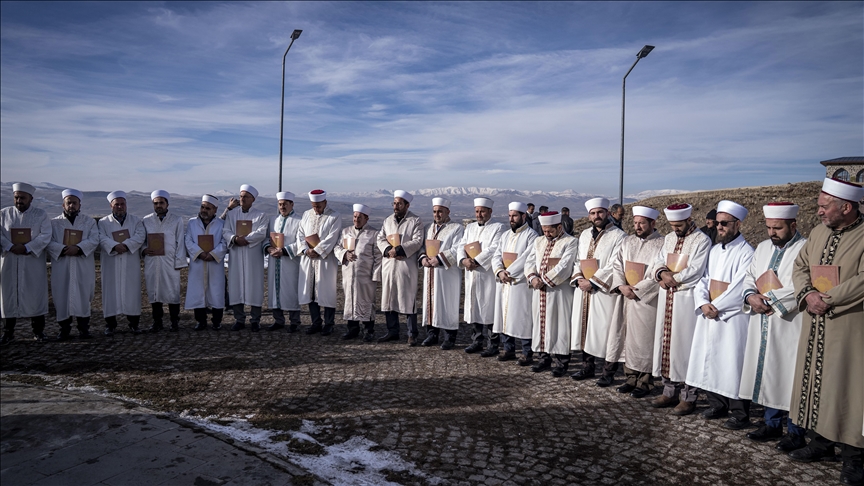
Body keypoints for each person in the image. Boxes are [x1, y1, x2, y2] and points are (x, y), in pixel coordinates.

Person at [789, 178, 863, 485]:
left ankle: (854, 457)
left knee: (848, 386)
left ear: (846, 207)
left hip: (848, 325)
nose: (818, 212)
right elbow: (800, 266)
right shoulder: (818, 234)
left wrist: (827, 299)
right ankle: (819, 443)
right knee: (817, 383)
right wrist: (808, 294)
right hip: (815, 321)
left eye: (824, 206)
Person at [738, 202, 807, 451]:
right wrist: (750, 296)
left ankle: (796, 431)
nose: (772, 233)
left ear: (793, 225)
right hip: (761, 318)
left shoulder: (806, 248)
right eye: (768, 228)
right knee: (767, 369)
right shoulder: (763, 247)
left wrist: (773, 301)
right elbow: (750, 276)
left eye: (777, 228)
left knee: (788, 374)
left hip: (789, 321)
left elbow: (804, 284)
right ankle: (771, 423)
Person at [687, 200, 755, 430]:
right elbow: (703, 279)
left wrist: (715, 306)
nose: (720, 227)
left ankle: (739, 412)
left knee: (731, 362)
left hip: (731, 317)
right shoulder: (715, 250)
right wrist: (703, 302)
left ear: (738, 224)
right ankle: (717, 404)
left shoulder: (747, 253)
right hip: (710, 312)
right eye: (717, 223)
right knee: (711, 358)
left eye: (724, 223)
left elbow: (741, 286)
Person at [650, 203, 712, 415]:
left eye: (679, 225)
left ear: (688, 220)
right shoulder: (668, 238)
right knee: (666, 343)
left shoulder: (702, 240)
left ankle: (688, 396)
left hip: (686, 299)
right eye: (672, 225)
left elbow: (696, 270)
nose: (676, 229)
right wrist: (661, 273)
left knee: (685, 347)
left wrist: (671, 278)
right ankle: (669, 391)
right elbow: (658, 260)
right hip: (666, 296)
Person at [569, 197, 626, 385]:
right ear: (588, 216)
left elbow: (615, 265)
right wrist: (578, 279)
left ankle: (608, 372)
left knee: (606, 330)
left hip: (603, 291)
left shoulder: (619, 236)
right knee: (585, 328)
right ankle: (587, 366)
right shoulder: (584, 235)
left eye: (600, 212)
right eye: (593, 213)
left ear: (607, 213)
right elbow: (577, 259)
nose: (597, 216)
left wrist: (593, 282)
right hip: (583, 289)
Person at [611, 206, 664, 398]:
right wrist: (621, 286)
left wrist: (639, 290)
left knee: (644, 339)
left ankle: (645, 381)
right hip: (626, 296)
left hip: (646, 300)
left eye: (642, 223)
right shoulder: (627, 241)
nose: (638, 226)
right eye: (635, 223)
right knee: (627, 338)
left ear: (653, 223)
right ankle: (630, 378)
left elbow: (658, 271)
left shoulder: (662, 243)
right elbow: (617, 264)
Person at [524, 211, 579, 375]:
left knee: (560, 325)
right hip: (539, 291)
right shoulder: (539, 241)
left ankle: (561, 363)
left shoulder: (570, 242)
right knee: (540, 324)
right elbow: (530, 261)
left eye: (550, 231)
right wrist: (532, 277)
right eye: (544, 230)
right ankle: (543, 358)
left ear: (559, 227)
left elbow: (565, 265)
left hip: (559, 292)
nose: (547, 234)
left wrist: (545, 280)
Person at [0, 183, 52, 344]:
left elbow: (45, 235)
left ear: (31, 198)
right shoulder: (4, 214)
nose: (19, 200)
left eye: (22, 198)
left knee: (35, 294)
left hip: (32, 262)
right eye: (16, 197)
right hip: (10, 260)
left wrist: (27, 247)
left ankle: (38, 331)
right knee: (8, 296)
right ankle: (8, 332)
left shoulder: (41, 215)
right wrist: (10, 246)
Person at [47, 188, 100, 340]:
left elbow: (94, 239)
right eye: (68, 203)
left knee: (84, 295)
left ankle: (84, 329)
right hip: (62, 265)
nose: (71, 206)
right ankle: (64, 329)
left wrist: (78, 248)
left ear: (79, 204)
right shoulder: (54, 223)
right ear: (63, 205)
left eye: (74, 203)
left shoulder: (89, 222)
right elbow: (48, 241)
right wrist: (63, 249)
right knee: (62, 295)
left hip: (82, 265)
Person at [458, 197, 506, 356]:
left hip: (487, 275)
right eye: (477, 211)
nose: (479, 214)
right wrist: (464, 260)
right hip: (472, 274)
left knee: (489, 307)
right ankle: (476, 341)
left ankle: (493, 344)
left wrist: (476, 261)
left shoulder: (498, 227)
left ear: (490, 211)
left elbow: (494, 248)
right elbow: (461, 245)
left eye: (482, 211)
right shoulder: (470, 227)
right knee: (474, 308)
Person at [492, 202, 538, 363]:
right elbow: (496, 255)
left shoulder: (532, 235)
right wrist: (499, 271)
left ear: (523, 216)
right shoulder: (505, 235)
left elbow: (527, 258)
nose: (512, 219)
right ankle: (508, 349)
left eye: (515, 216)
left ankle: (527, 352)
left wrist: (508, 272)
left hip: (518, 283)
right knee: (504, 316)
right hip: (503, 282)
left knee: (522, 316)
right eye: (510, 216)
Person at [376, 190, 423, 344]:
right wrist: (388, 250)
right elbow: (380, 238)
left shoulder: (415, 221)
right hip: (390, 264)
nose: (396, 206)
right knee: (389, 298)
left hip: (405, 265)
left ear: (407, 205)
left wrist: (400, 249)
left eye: (399, 204)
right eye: (394, 203)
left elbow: (417, 241)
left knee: (408, 298)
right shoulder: (387, 220)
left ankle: (412, 333)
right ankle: (392, 331)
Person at [98, 191, 146, 335]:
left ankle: (134, 323)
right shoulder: (103, 222)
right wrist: (114, 246)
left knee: (132, 292)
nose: (120, 207)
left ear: (126, 205)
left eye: (122, 204)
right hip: (111, 261)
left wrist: (125, 245)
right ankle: (110, 324)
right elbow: (100, 237)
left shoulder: (135, 221)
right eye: (116, 204)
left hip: (129, 260)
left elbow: (140, 236)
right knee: (110, 292)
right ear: (111, 206)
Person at [419, 197, 464, 350]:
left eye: (440, 211)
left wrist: (439, 258)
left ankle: (449, 337)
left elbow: (458, 248)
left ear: (447, 212)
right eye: (434, 212)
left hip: (447, 273)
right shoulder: (428, 228)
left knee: (447, 302)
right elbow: (421, 247)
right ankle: (432, 334)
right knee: (430, 302)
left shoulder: (456, 228)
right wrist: (423, 258)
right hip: (430, 272)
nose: (437, 214)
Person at [223, 184, 269, 332]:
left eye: (246, 197)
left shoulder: (260, 216)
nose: (242, 199)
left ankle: (255, 320)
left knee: (254, 287)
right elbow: (225, 230)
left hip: (253, 256)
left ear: (253, 199)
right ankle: (239, 319)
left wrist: (246, 239)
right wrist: (234, 239)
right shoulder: (232, 214)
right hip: (236, 255)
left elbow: (262, 233)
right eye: (241, 196)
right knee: (236, 287)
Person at [141, 190, 187, 332]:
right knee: (155, 292)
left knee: (173, 293)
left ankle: (174, 321)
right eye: (156, 203)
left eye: (161, 202)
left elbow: (180, 241)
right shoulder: (146, 220)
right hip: (153, 261)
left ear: (167, 203)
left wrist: (179, 262)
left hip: (170, 262)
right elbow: (142, 240)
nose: (159, 205)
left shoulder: (176, 220)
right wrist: (144, 250)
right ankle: (157, 322)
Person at [297, 189, 342, 335]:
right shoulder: (306, 215)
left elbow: (332, 237)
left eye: (318, 205)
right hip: (309, 259)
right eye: (314, 205)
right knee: (311, 291)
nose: (316, 208)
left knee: (326, 291)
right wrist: (305, 250)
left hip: (325, 259)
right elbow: (300, 234)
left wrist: (318, 250)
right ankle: (316, 322)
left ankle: (329, 323)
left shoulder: (334, 216)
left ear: (325, 202)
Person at [334, 203, 381, 341]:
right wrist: (344, 254)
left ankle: (368, 330)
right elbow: (337, 247)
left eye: (360, 217)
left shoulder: (373, 234)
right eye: (355, 216)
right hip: (349, 274)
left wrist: (375, 275)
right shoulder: (346, 231)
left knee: (366, 302)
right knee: (350, 301)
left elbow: (378, 256)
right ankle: (352, 329)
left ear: (366, 218)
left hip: (366, 276)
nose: (356, 219)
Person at [185, 195, 227, 331]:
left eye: (207, 208)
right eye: (202, 207)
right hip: (198, 263)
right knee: (198, 291)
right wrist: (200, 253)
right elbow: (188, 241)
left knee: (216, 292)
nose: (204, 210)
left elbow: (225, 242)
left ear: (215, 210)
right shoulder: (192, 223)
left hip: (215, 263)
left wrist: (214, 254)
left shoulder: (221, 224)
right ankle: (201, 321)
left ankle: (217, 321)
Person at [264, 191, 303, 333]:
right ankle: (278, 320)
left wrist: (285, 251)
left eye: (285, 204)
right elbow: (266, 239)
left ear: (292, 204)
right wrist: (268, 248)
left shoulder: (299, 221)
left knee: (291, 291)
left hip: (290, 262)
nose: (282, 207)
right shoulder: (273, 220)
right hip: (275, 261)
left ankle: (295, 321)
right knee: (275, 290)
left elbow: (301, 242)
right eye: (280, 204)